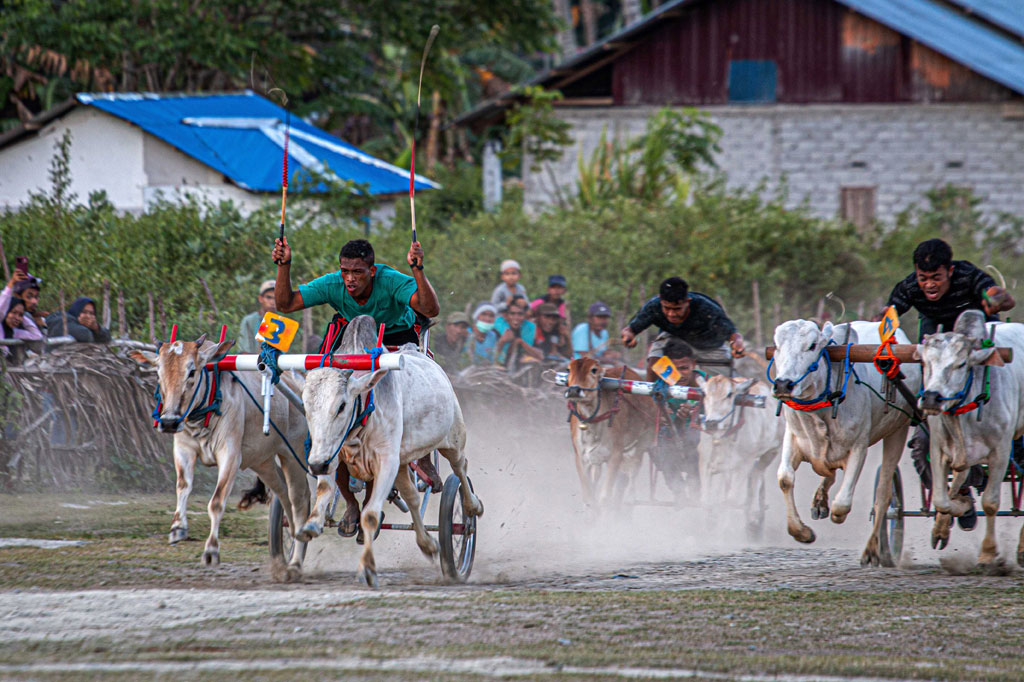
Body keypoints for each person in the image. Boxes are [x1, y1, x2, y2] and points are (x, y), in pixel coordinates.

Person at [270, 235, 442, 536]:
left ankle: (420, 453)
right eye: (345, 272)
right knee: (332, 420)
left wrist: (418, 270)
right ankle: (349, 502)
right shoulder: (334, 283)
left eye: (358, 273)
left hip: (396, 343)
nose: (350, 279)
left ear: (372, 271)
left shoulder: (391, 280)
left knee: (384, 424)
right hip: (353, 345)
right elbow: (286, 304)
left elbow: (431, 309)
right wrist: (284, 265)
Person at [884, 238, 1015, 532]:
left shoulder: (970, 276)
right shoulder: (908, 288)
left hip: (976, 352)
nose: (929, 285)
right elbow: (889, 315)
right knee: (922, 444)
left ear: (950, 271)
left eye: (936, 278)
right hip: (935, 359)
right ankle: (959, 495)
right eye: (923, 278)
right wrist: (884, 325)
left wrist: (997, 299)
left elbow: (1001, 298)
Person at [621, 277, 744, 382]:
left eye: (677, 309)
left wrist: (737, 346)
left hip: (709, 345)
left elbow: (733, 335)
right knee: (654, 365)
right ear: (660, 300)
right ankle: (652, 403)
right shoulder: (654, 307)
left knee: (721, 383)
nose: (671, 314)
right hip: (673, 338)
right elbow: (629, 330)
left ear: (687, 302)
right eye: (666, 308)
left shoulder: (706, 308)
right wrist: (629, 337)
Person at [494, 296, 543, 369]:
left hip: (517, 361)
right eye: (512, 314)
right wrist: (503, 341)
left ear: (525, 316)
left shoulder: (529, 326)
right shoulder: (499, 323)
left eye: (520, 314)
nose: (516, 317)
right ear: (506, 315)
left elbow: (535, 354)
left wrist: (519, 342)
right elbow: (495, 354)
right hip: (499, 362)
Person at [237, 279, 278, 353]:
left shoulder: (283, 322)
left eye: (276, 298)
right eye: (268, 297)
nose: (272, 302)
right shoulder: (249, 321)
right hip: (253, 363)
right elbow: (244, 353)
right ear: (260, 299)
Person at [46, 297, 111, 343]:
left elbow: (108, 337)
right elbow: (85, 335)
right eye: (84, 312)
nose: (88, 316)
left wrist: (96, 328)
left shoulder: (88, 326)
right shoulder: (63, 320)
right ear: (76, 310)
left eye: (91, 313)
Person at [2, 270, 44, 340]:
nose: (34, 301)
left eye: (36, 297)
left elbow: (38, 338)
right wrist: (11, 283)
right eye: (29, 296)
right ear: (17, 296)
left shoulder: (17, 331)